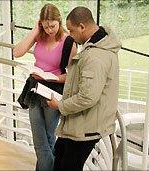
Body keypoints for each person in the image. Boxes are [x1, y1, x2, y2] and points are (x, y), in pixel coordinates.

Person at [47, 6, 121, 171]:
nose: (70, 36)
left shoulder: (95, 57)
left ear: (82, 26)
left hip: (85, 128)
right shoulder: (95, 47)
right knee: (58, 157)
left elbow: (88, 97)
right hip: (80, 124)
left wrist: (59, 105)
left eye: (72, 31)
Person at [13, 3, 77, 170]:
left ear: (59, 21)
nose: (49, 30)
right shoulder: (39, 35)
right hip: (35, 89)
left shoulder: (69, 42)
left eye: (53, 26)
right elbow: (16, 52)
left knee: (48, 137)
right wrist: (35, 30)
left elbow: (72, 75)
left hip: (53, 91)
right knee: (39, 138)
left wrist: (53, 78)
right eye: (45, 26)